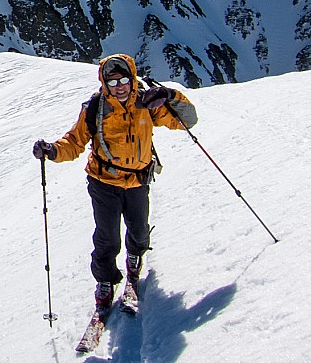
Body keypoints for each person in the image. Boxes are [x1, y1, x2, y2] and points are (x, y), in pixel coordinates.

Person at [32, 54, 198, 310]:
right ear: (104, 83)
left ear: (132, 79)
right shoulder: (95, 108)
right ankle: (106, 280)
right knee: (107, 237)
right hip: (103, 182)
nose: (119, 86)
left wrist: (170, 96)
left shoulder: (146, 102)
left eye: (124, 80)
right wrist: (53, 151)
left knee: (139, 231)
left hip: (137, 180)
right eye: (113, 82)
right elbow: (75, 141)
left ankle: (135, 256)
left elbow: (187, 120)